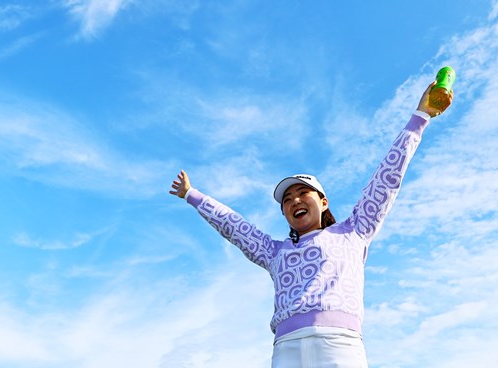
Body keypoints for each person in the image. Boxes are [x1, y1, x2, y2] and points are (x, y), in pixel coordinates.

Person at [169, 80, 451, 368]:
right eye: (287, 199)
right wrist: (192, 195)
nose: (295, 200)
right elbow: (234, 226)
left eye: (303, 192)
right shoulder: (273, 252)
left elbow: (386, 179)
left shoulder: (354, 231)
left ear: (323, 201)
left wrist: (420, 118)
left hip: (340, 344)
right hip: (287, 349)